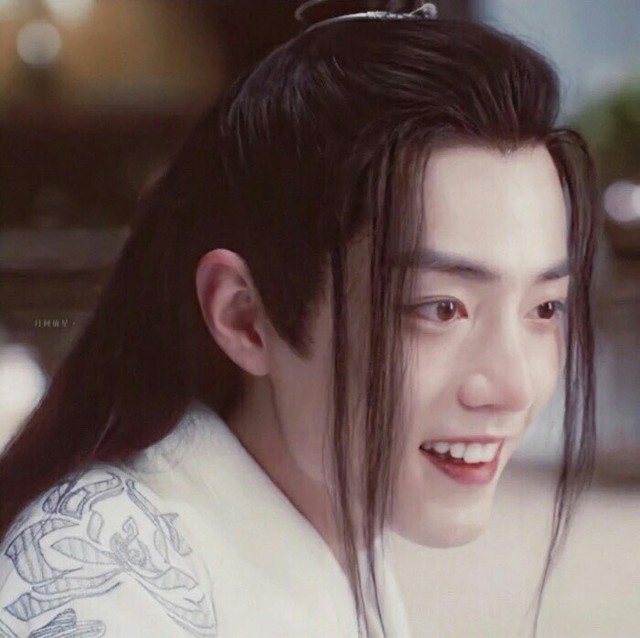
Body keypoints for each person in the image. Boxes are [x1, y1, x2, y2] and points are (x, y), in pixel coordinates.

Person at [0, 1, 599, 636]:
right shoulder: (102, 593)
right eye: (441, 308)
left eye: (545, 307)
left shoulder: (327, 525)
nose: (513, 386)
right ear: (244, 315)